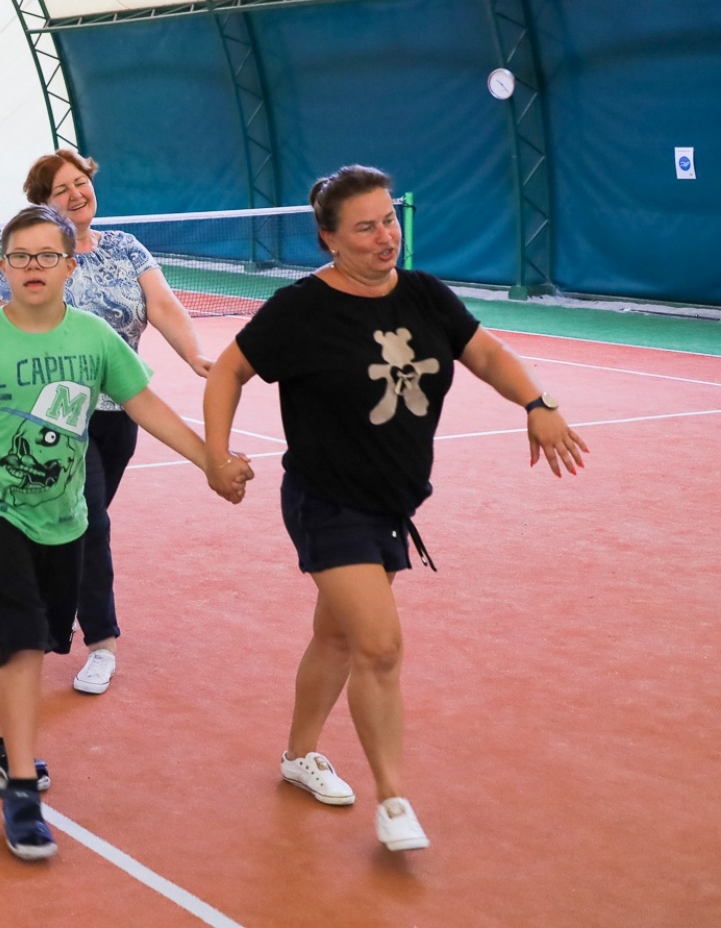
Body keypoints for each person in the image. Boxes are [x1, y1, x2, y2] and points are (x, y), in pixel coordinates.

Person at [202, 164, 589, 854]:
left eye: (390, 219)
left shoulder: (424, 295)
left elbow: (487, 352)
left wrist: (537, 403)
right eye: (366, 226)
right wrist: (217, 454)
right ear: (329, 238)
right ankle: (394, 798)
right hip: (326, 499)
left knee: (338, 637)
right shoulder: (301, 310)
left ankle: (297, 756)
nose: (387, 236)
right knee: (380, 644)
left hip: (391, 501)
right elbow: (229, 368)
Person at [0, 205, 248, 862]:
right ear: (1, 267)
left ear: (70, 265)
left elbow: (146, 406)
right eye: (20, 256)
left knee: (43, 639)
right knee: (21, 637)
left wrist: (210, 460)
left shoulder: (94, 338)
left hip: (64, 520)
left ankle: (6, 735)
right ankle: (22, 792)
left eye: (46, 256)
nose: (33, 267)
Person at [0, 149, 214, 696]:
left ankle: (33, 598)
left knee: (74, 523)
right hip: (55, 416)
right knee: (90, 523)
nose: (76, 194)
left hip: (121, 412)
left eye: (80, 182)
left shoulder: (126, 248)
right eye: (61, 190)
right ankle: (101, 643)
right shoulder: (36, 255)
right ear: (44, 204)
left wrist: (195, 356)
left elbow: (163, 306)